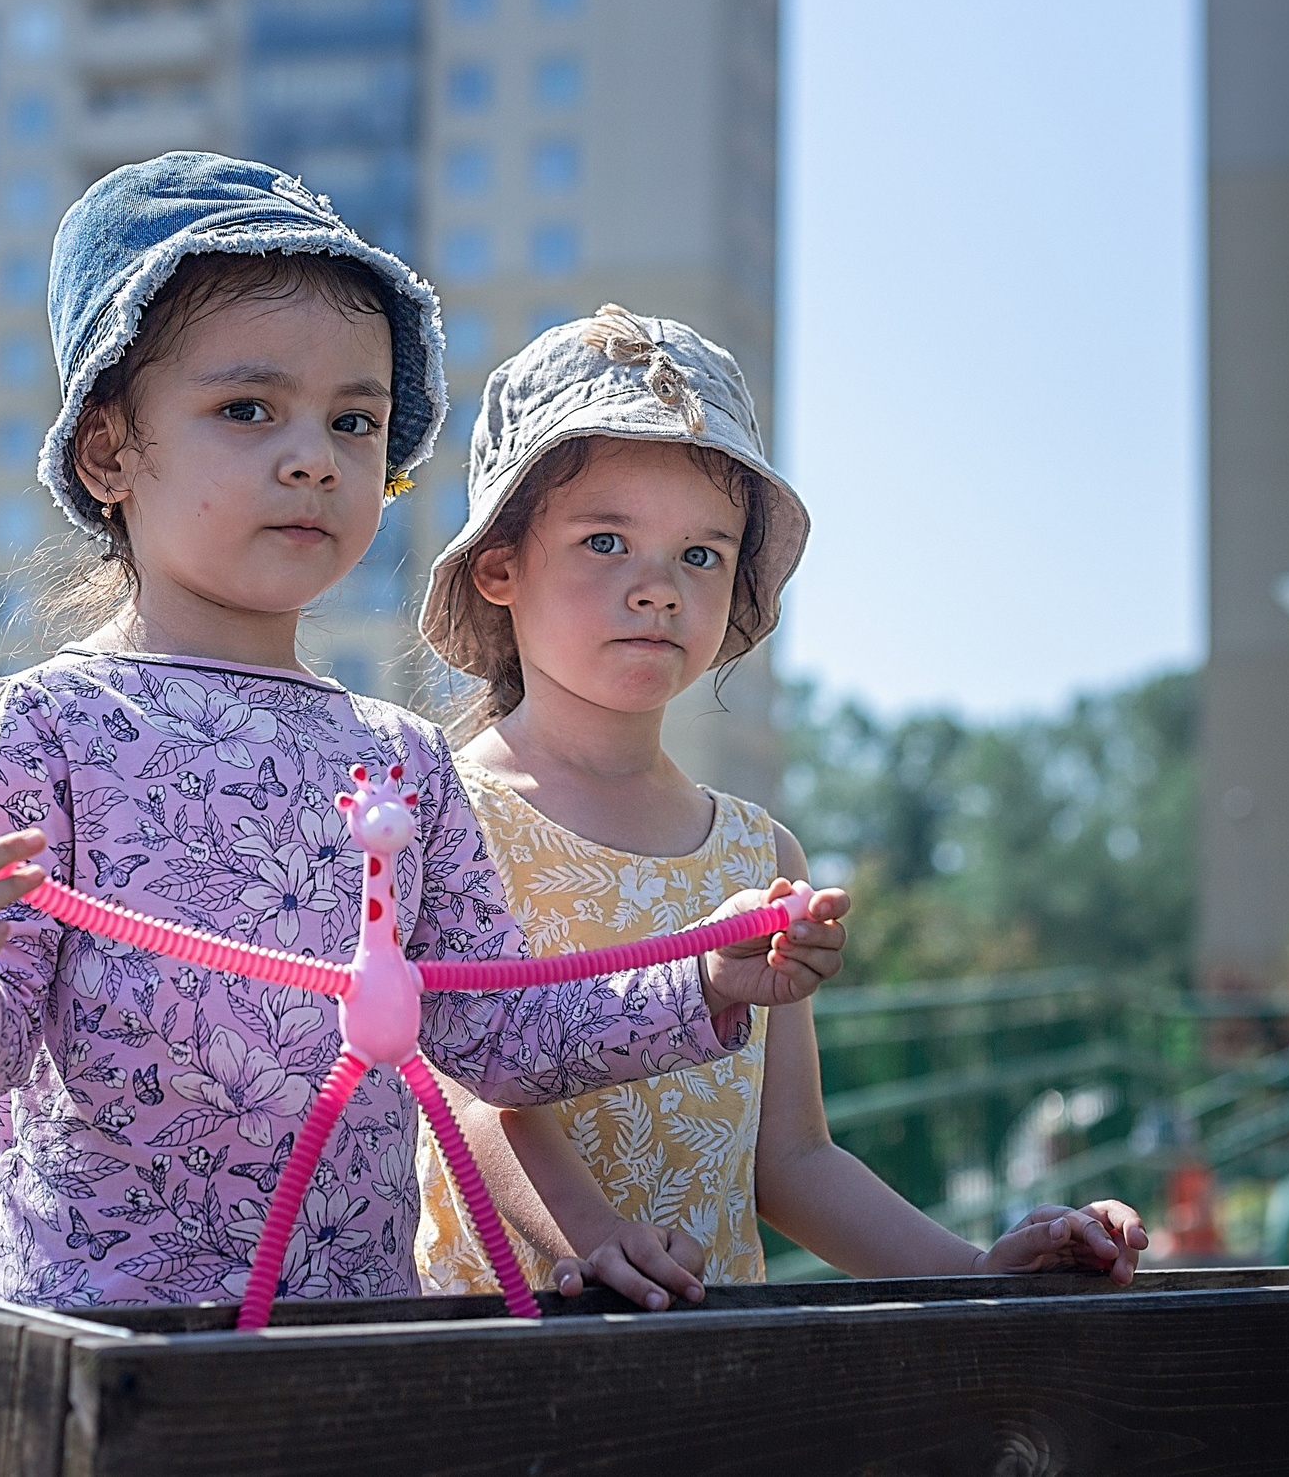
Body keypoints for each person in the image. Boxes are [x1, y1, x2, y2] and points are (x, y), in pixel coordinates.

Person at [0, 156, 851, 1309]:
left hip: (349, 1353)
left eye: (354, 421)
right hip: (100, 1347)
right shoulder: (49, 725)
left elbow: (496, 1031)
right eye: (247, 408)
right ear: (108, 452)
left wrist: (700, 977)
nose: (312, 456)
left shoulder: (400, 755)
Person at [411, 308, 1150, 1309]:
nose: (658, 588)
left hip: (714, 1358)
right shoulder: (445, 808)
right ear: (498, 566)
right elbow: (474, 1091)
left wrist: (975, 1271)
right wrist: (598, 1238)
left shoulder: (757, 850)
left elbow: (793, 1158)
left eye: (701, 554)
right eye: (605, 540)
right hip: (493, 1350)